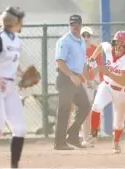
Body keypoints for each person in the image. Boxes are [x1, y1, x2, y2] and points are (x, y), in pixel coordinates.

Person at [0, 7, 26, 168]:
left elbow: (12, 63)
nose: (21, 24)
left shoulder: (17, 41)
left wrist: (22, 74)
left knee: (20, 128)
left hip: (10, 86)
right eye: (20, 21)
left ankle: (14, 166)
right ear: (14, 22)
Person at [87, 31, 125, 153]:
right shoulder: (108, 48)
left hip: (122, 92)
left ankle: (116, 142)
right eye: (119, 43)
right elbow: (102, 45)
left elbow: (123, 81)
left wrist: (107, 72)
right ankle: (93, 135)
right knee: (96, 106)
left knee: (118, 123)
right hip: (107, 86)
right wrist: (92, 58)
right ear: (115, 43)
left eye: (124, 44)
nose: (121, 47)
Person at [54, 14, 91, 150]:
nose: (74, 26)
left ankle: (73, 135)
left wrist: (87, 79)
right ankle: (59, 143)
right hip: (66, 77)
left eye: (77, 24)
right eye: (72, 24)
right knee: (64, 110)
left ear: (81, 25)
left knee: (85, 106)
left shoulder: (81, 41)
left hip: (76, 78)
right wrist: (70, 75)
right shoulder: (64, 41)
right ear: (69, 25)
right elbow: (59, 61)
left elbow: (81, 63)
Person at [66, 26, 103, 147]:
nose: (86, 38)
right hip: (78, 83)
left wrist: (95, 79)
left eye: (88, 36)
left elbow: (98, 67)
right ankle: (70, 136)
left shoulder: (94, 50)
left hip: (90, 84)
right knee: (74, 110)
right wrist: (87, 80)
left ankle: (86, 138)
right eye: (84, 35)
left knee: (88, 112)